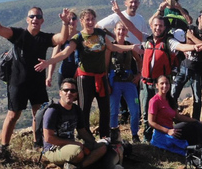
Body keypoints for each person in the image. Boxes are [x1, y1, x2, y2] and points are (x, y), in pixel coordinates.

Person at [35, 9, 141, 142]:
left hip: (101, 76)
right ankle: (85, 136)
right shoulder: (78, 38)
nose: (90, 22)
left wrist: (131, 48)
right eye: (87, 19)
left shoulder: (101, 34)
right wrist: (48, 62)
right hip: (85, 78)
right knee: (84, 108)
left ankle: (105, 137)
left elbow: (113, 48)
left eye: (92, 19)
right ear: (82, 21)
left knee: (105, 108)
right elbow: (65, 53)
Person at [0, 2, 72, 147]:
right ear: (27, 19)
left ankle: (37, 143)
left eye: (38, 17)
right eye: (32, 16)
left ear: (42, 21)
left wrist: (65, 23)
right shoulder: (18, 34)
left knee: (39, 114)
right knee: (13, 115)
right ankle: (4, 146)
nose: (35, 19)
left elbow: (61, 39)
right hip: (17, 83)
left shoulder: (44, 38)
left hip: (37, 83)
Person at [112, 10, 202, 142]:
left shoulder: (169, 41)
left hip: (161, 85)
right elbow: (131, 27)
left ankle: (161, 136)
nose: (158, 28)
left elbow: (181, 47)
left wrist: (194, 47)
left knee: (161, 112)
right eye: (155, 25)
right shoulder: (146, 39)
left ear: (164, 28)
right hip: (145, 83)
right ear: (152, 26)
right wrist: (119, 13)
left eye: (161, 26)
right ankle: (147, 137)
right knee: (146, 112)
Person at [43, 78, 137, 169]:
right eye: (66, 90)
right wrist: (74, 143)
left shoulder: (76, 110)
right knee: (78, 151)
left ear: (76, 94)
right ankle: (83, 166)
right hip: (53, 149)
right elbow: (48, 138)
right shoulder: (53, 111)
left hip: (71, 146)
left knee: (102, 148)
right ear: (60, 93)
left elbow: (82, 131)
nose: (69, 93)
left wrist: (94, 143)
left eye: (72, 91)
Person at [148, 75, 202, 152]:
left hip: (172, 129)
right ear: (157, 85)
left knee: (196, 126)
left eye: (167, 83)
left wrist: (195, 120)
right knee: (193, 130)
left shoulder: (170, 100)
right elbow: (151, 122)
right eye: (162, 83)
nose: (165, 86)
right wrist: (167, 131)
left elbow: (178, 117)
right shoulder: (154, 101)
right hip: (163, 132)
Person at [172, 9, 202, 120]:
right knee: (174, 93)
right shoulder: (191, 28)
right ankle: (171, 116)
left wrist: (191, 37)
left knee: (197, 98)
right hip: (184, 67)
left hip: (198, 70)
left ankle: (195, 121)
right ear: (199, 19)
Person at [108, 21, 142, 143]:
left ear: (126, 32)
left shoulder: (130, 46)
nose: (121, 32)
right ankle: (113, 135)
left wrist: (139, 74)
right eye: (119, 29)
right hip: (114, 82)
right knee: (113, 111)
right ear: (115, 30)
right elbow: (106, 64)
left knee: (135, 110)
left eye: (123, 30)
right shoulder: (110, 47)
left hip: (129, 82)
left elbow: (139, 60)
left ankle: (135, 134)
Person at [45, 10, 79, 87]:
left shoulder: (82, 36)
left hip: (79, 72)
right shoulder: (61, 38)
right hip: (64, 72)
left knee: (80, 97)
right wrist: (49, 76)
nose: (71, 21)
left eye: (73, 18)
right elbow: (54, 58)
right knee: (64, 96)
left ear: (77, 20)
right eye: (69, 19)